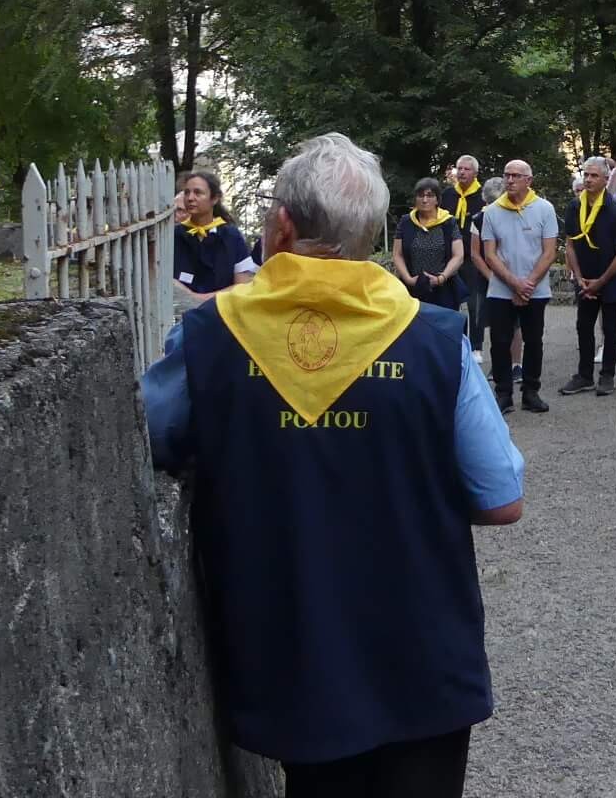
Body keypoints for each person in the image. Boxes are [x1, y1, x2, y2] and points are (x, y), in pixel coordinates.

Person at [140, 132, 523, 796]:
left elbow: (147, 435)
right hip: (422, 648)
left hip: (290, 652)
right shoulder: (435, 339)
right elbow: (501, 498)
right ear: (371, 232)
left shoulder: (210, 336)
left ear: (283, 226)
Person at [474, 161, 559, 414]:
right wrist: (514, 283)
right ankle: (503, 393)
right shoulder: (492, 212)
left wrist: (528, 284)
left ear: (528, 180)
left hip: (535, 289)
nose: (510, 180)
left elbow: (549, 251)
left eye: (516, 176)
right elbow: (489, 254)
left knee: (533, 341)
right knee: (500, 342)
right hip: (502, 289)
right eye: (507, 175)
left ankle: (531, 392)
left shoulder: (544, 209)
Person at [558, 157, 616, 396]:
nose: (588, 180)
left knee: (610, 328)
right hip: (585, 278)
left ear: (605, 179)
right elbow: (570, 244)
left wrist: (601, 281)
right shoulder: (574, 206)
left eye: (594, 176)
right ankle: (584, 375)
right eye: (586, 175)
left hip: (611, 277)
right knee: (583, 326)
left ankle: (607, 375)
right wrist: (579, 277)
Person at [175, 171, 251, 302]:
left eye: (198, 192)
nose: (190, 198)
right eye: (187, 192)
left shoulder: (232, 237)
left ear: (215, 198)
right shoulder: (174, 236)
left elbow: (243, 285)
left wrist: (199, 299)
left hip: (221, 311)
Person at [393, 178, 467, 314]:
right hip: (413, 289)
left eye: (430, 196)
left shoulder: (448, 222)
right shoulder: (406, 222)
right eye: (421, 196)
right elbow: (397, 255)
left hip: (444, 289)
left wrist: (441, 278)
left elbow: (458, 256)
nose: (425, 200)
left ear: (437, 200)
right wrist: (408, 279)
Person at [449, 157, 489, 362]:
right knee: (451, 302)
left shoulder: (482, 197)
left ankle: (476, 347)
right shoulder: (448, 195)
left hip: (474, 258)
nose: (462, 172)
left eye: (466, 169)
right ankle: (453, 342)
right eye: (460, 168)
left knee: (475, 303)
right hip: (450, 257)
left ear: (475, 173)